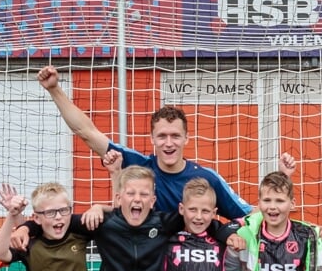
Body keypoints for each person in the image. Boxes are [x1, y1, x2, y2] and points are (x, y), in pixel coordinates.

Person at [37, 64, 255, 218]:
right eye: (162, 136)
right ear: (152, 139)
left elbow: (248, 215)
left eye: (175, 136)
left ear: (186, 139)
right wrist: (55, 89)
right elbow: (87, 132)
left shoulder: (206, 179)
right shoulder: (137, 166)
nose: (168, 143)